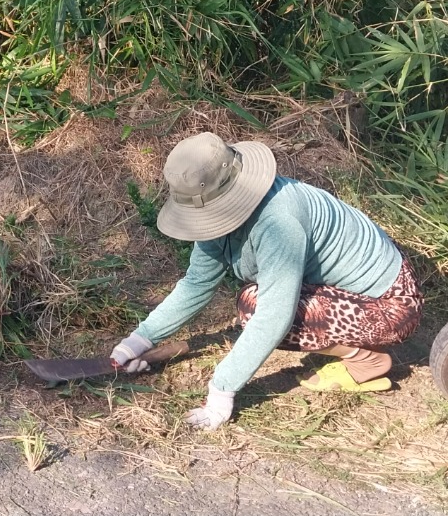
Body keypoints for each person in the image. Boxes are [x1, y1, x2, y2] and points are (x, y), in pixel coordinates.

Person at [110, 132, 423, 430]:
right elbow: (196, 284)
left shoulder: (278, 222)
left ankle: (365, 359)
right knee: (254, 300)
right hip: (344, 293)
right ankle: (353, 346)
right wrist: (137, 342)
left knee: (254, 305)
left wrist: (221, 390)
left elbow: (274, 316)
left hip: (390, 304)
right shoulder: (212, 218)